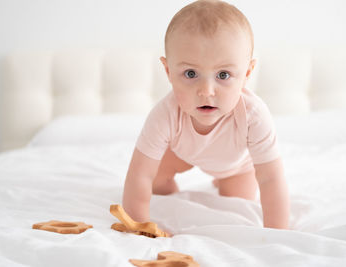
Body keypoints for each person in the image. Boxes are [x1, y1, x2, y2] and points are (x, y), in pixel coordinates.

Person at [122, 0, 289, 230]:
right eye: (190, 73)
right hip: (182, 152)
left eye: (223, 74)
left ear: (247, 73)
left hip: (236, 165)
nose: (206, 92)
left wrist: (278, 233)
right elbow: (139, 175)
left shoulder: (254, 116)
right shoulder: (165, 115)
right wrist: (137, 225)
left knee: (236, 204)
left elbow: (271, 179)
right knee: (156, 182)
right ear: (169, 71)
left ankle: (222, 180)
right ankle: (172, 191)